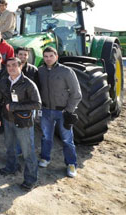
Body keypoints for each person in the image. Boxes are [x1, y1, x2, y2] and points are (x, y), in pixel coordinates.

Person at [0, 57, 40, 191]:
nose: (11, 68)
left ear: (21, 66)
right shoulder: (3, 82)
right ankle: (11, 167)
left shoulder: (28, 83)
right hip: (8, 120)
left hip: (23, 122)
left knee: (27, 152)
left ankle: (30, 179)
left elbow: (37, 104)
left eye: (14, 65)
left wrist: (15, 106)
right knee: (10, 146)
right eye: (8, 66)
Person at [38, 46, 82, 178]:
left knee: (67, 139)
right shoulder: (40, 71)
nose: (48, 59)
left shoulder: (66, 72)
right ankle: (45, 158)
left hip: (62, 112)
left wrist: (69, 111)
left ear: (56, 56)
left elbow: (76, 93)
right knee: (46, 137)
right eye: (45, 56)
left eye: (51, 56)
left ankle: (71, 164)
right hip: (45, 111)